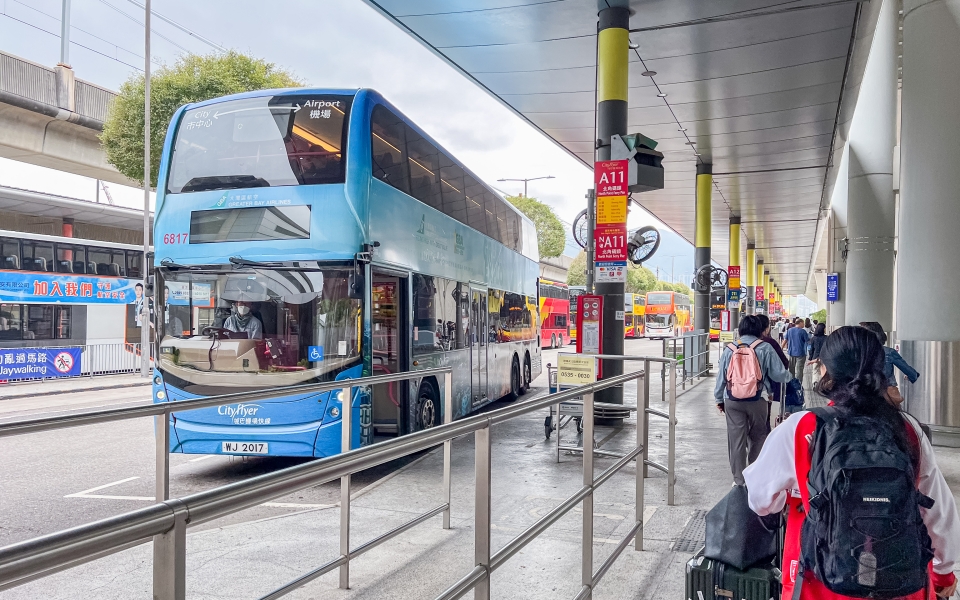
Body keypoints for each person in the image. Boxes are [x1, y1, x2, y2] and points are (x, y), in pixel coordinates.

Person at [744, 327, 959, 600]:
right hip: (899, 582)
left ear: (826, 372)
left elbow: (761, 500)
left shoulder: (802, 427)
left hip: (819, 581)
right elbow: (938, 512)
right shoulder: (907, 429)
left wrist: (794, 494)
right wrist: (943, 572)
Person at [714, 314, 794, 486]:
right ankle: (754, 474)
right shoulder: (765, 347)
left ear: (741, 329)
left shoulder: (729, 349)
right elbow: (778, 374)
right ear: (759, 330)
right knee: (758, 436)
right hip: (759, 399)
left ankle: (738, 480)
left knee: (736, 439)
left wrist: (719, 398)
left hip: (733, 400)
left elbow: (721, 377)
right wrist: (790, 376)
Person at [859, 321, 919, 406]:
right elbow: (909, 371)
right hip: (888, 394)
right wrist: (911, 376)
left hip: (866, 395)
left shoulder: (860, 354)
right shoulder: (889, 352)